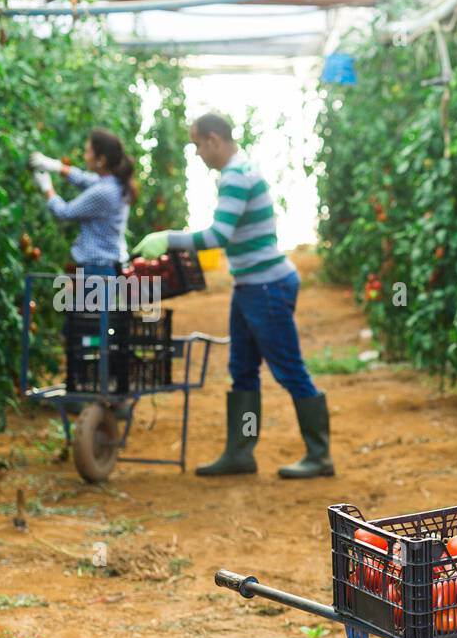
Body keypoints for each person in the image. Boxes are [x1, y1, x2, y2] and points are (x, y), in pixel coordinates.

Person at [132, 112, 333, 480]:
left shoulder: (237, 177)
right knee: (241, 371)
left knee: (289, 370)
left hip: (267, 286)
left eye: (197, 145)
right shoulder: (236, 174)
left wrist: (168, 238)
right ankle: (241, 452)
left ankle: (319, 455)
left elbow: (217, 237)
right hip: (250, 285)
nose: (197, 153)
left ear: (214, 140)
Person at [30, 128, 136, 278]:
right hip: (102, 269)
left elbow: (65, 212)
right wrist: (55, 166)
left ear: (101, 159)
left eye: (88, 152)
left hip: (97, 271)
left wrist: (47, 187)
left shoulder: (104, 192)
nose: (85, 156)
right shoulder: (112, 183)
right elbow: (82, 179)